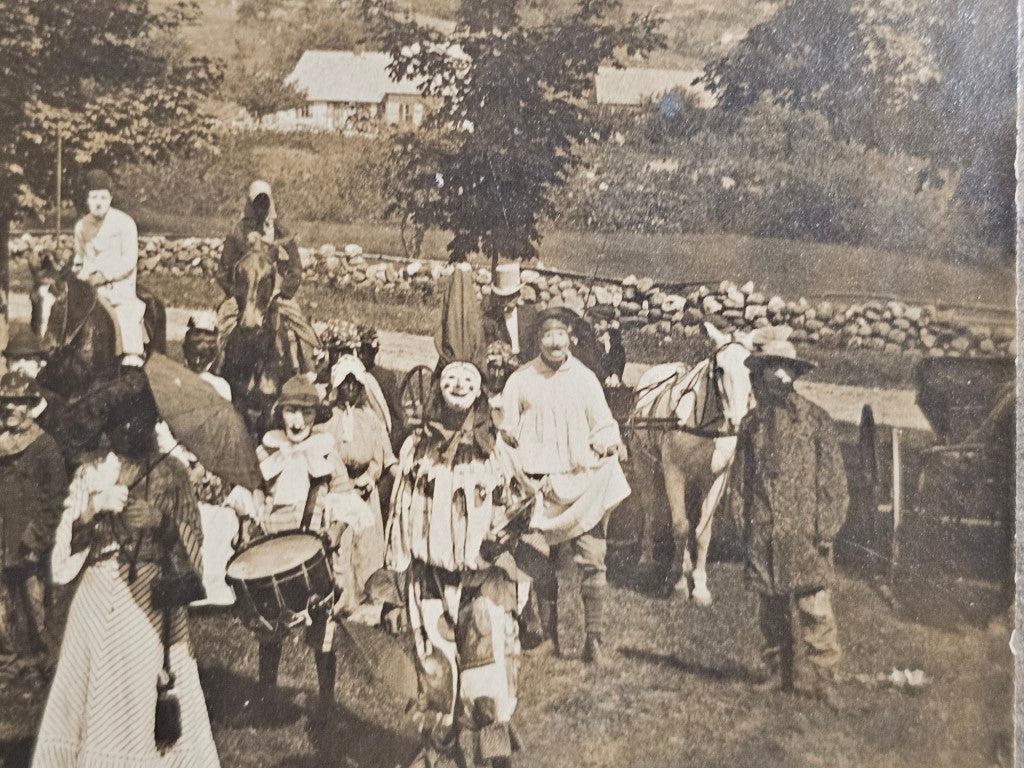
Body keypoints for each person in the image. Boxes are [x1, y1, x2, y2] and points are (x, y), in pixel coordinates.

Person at [380, 264, 533, 768]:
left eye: (469, 379)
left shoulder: (495, 451)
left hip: (484, 582)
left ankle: (493, 760)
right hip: (427, 585)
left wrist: (500, 536)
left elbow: (520, 502)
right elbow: (399, 521)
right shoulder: (416, 453)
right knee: (436, 679)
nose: (460, 386)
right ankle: (437, 758)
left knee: (487, 680)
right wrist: (395, 586)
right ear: (438, 386)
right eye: (452, 379)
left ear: (480, 388)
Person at [32, 382, 220, 766]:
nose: (130, 433)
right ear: (110, 429)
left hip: (151, 599)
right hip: (99, 593)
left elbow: (194, 542)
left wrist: (161, 522)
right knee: (92, 686)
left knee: (139, 685)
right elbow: (66, 546)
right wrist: (92, 510)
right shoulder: (95, 471)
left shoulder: (172, 474)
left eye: (140, 425)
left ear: (152, 425)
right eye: (121, 426)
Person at [225, 375, 374, 711]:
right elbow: (252, 494)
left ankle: (326, 701)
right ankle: (265, 694)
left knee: (324, 628)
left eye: (306, 414)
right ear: (280, 414)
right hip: (273, 549)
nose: (298, 421)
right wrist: (249, 522)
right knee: (270, 626)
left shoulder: (326, 453)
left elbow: (345, 498)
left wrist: (334, 531)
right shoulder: (267, 450)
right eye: (292, 412)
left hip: (312, 551)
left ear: (315, 418)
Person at [500, 306, 630, 664]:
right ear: (538, 340)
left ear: (570, 336)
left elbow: (603, 423)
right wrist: (512, 451)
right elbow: (506, 430)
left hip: (581, 484)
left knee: (592, 559)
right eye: (547, 334)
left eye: (561, 333)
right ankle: (547, 636)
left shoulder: (586, 379)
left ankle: (594, 640)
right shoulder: (521, 380)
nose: (555, 342)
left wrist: (607, 442)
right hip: (537, 487)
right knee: (536, 560)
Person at [725, 337, 849, 709]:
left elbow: (834, 482)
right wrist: (742, 524)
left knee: (815, 609)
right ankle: (779, 672)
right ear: (760, 374)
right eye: (770, 367)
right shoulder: (751, 425)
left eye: (784, 367)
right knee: (771, 608)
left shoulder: (816, 420)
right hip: (764, 531)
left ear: (794, 374)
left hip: (805, 533)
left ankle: (826, 680)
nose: (777, 374)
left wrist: (826, 528)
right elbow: (741, 480)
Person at [0, 372, 68, 681]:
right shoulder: (2, 443)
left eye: (19, 403)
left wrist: (37, 537)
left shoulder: (45, 447)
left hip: (28, 544)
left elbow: (55, 499)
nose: (11, 409)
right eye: (6, 403)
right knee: (3, 610)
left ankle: (43, 663)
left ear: (31, 406)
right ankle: (8, 663)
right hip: (3, 538)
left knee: (35, 606)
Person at [216, 180, 319, 372]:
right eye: (257, 203)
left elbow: (295, 268)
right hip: (243, 296)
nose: (261, 208)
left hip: (276, 294)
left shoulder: (281, 232)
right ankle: (216, 369)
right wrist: (237, 292)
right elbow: (223, 270)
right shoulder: (238, 232)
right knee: (222, 325)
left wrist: (282, 291)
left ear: (271, 202)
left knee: (303, 330)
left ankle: (308, 373)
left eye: (265, 202)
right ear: (250, 203)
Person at [322, 354, 395, 608]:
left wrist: (370, 477)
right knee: (341, 545)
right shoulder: (328, 419)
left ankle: (366, 594)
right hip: (339, 490)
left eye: (355, 384)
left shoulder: (371, 419)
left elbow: (379, 456)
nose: (350, 388)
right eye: (345, 383)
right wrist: (342, 482)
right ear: (337, 386)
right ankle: (340, 597)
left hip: (364, 490)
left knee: (364, 545)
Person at [72, 169, 147, 368]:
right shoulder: (81, 226)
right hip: (89, 288)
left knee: (126, 313)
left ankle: (132, 357)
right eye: (93, 196)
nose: (98, 202)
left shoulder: (124, 223)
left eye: (103, 197)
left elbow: (129, 260)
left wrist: (104, 276)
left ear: (111, 198)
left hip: (118, 288)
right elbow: (79, 258)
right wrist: (78, 273)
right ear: (86, 198)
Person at [482, 263, 538, 365]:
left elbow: (536, 344)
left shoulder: (530, 313)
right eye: (502, 297)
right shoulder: (490, 319)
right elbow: (489, 348)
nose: (506, 301)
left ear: (518, 295)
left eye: (510, 296)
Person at [587, 305, 626, 387]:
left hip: (613, 382)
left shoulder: (615, 341)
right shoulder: (589, 341)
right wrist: (605, 377)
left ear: (609, 324)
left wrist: (615, 375)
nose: (595, 326)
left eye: (599, 323)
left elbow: (618, 359)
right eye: (593, 323)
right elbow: (592, 361)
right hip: (595, 381)